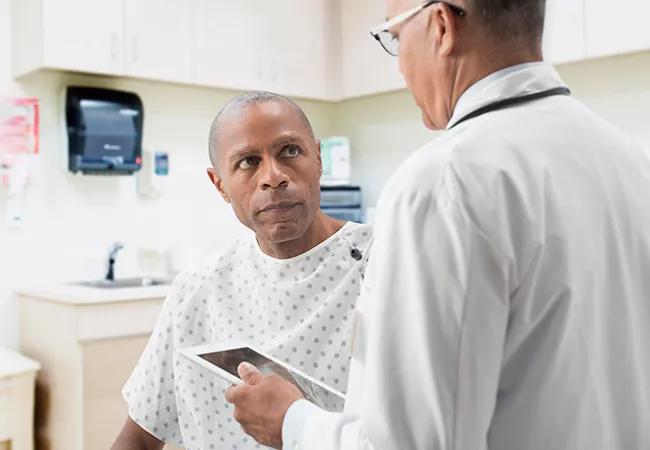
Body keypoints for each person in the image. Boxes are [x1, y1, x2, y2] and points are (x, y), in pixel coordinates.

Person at [225, 1, 650, 449]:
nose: (402, 66)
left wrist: (291, 421)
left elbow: (416, 443)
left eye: (395, 37)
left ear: (441, 26)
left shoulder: (444, 183)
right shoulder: (631, 162)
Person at [111, 91, 373, 450]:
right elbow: (139, 438)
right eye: (248, 162)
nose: (273, 176)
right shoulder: (197, 292)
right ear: (219, 184)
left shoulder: (382, 264)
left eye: (290, 152)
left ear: (318, 159)